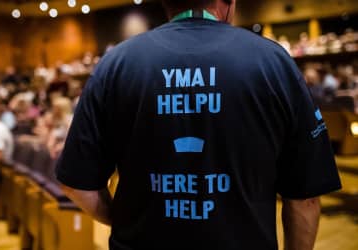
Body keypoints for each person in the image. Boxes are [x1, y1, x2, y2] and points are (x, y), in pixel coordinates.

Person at [55, 0, 342, 249]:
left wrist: (125, 220)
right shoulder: (273, 62)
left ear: (165, 4)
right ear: (228, 2)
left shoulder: (115, 65)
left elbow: (76, 185)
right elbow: (305, 198)